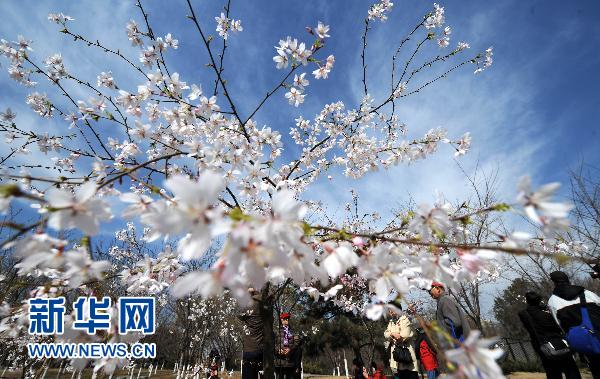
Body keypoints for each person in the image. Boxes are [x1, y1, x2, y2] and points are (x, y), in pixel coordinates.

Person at [547, 271, 600, 378]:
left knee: (596, 367)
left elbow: (559, 324)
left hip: (584, 341)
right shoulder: (586, 293)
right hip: (598, 331)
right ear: (567, 279)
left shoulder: (553, 301)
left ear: (554, 282)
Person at [518, 291, 581, 379]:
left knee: (552, 372)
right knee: (570, 369)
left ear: (527, 301)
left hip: (542, 346)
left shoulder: (524, 314)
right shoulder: (545, 314)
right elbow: (557, 326)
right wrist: (548, 312)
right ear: (539, 300)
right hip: (558, 343)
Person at [384, 307, 419, 379]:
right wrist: (392, 334)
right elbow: (386, 334)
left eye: (392, 310)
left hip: (406, 355)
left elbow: (404, 336)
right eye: (390, 311)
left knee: (410, 374)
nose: (391, 313)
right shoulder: (391, 322)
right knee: (399, 373)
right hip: (397, 356)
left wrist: (392, 336)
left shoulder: (405, 319)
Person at [238, 289, 265, 379]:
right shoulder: (264, 302)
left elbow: (239, 314)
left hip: (249, 348)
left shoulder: (249, 303)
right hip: (261, 347)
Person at [275, 312, 301, 379]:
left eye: (288, 319)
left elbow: (297, 343)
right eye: (285, 319)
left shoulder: (293, 331)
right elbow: (272, 344)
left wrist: (290, 349)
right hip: (279, 362)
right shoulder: (276, 331)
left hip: (290, 362)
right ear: (281, 320)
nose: (287, 320)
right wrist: (278, 350)